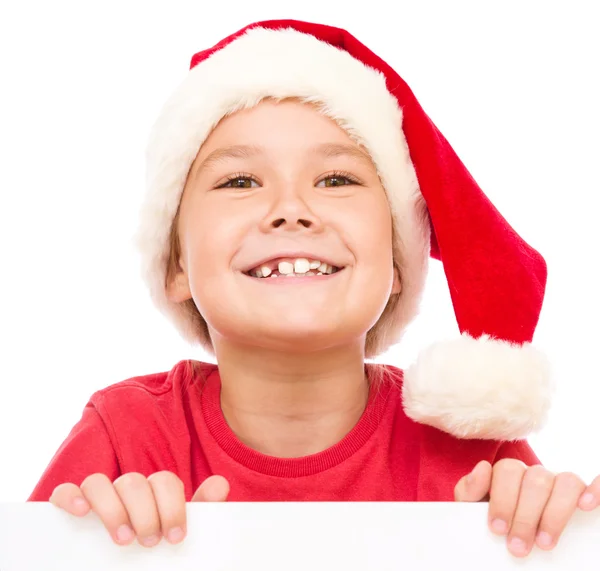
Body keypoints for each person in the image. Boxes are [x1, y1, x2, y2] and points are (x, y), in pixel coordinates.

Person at [27, 19, 599, 559]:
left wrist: (542, 534)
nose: (290, 210)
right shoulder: (126, 440)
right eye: (240, 180)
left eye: (336, 179)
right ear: (175, 264)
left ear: (400, 261)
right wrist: (90, 548)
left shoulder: (474, 458)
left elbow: (547, 542)